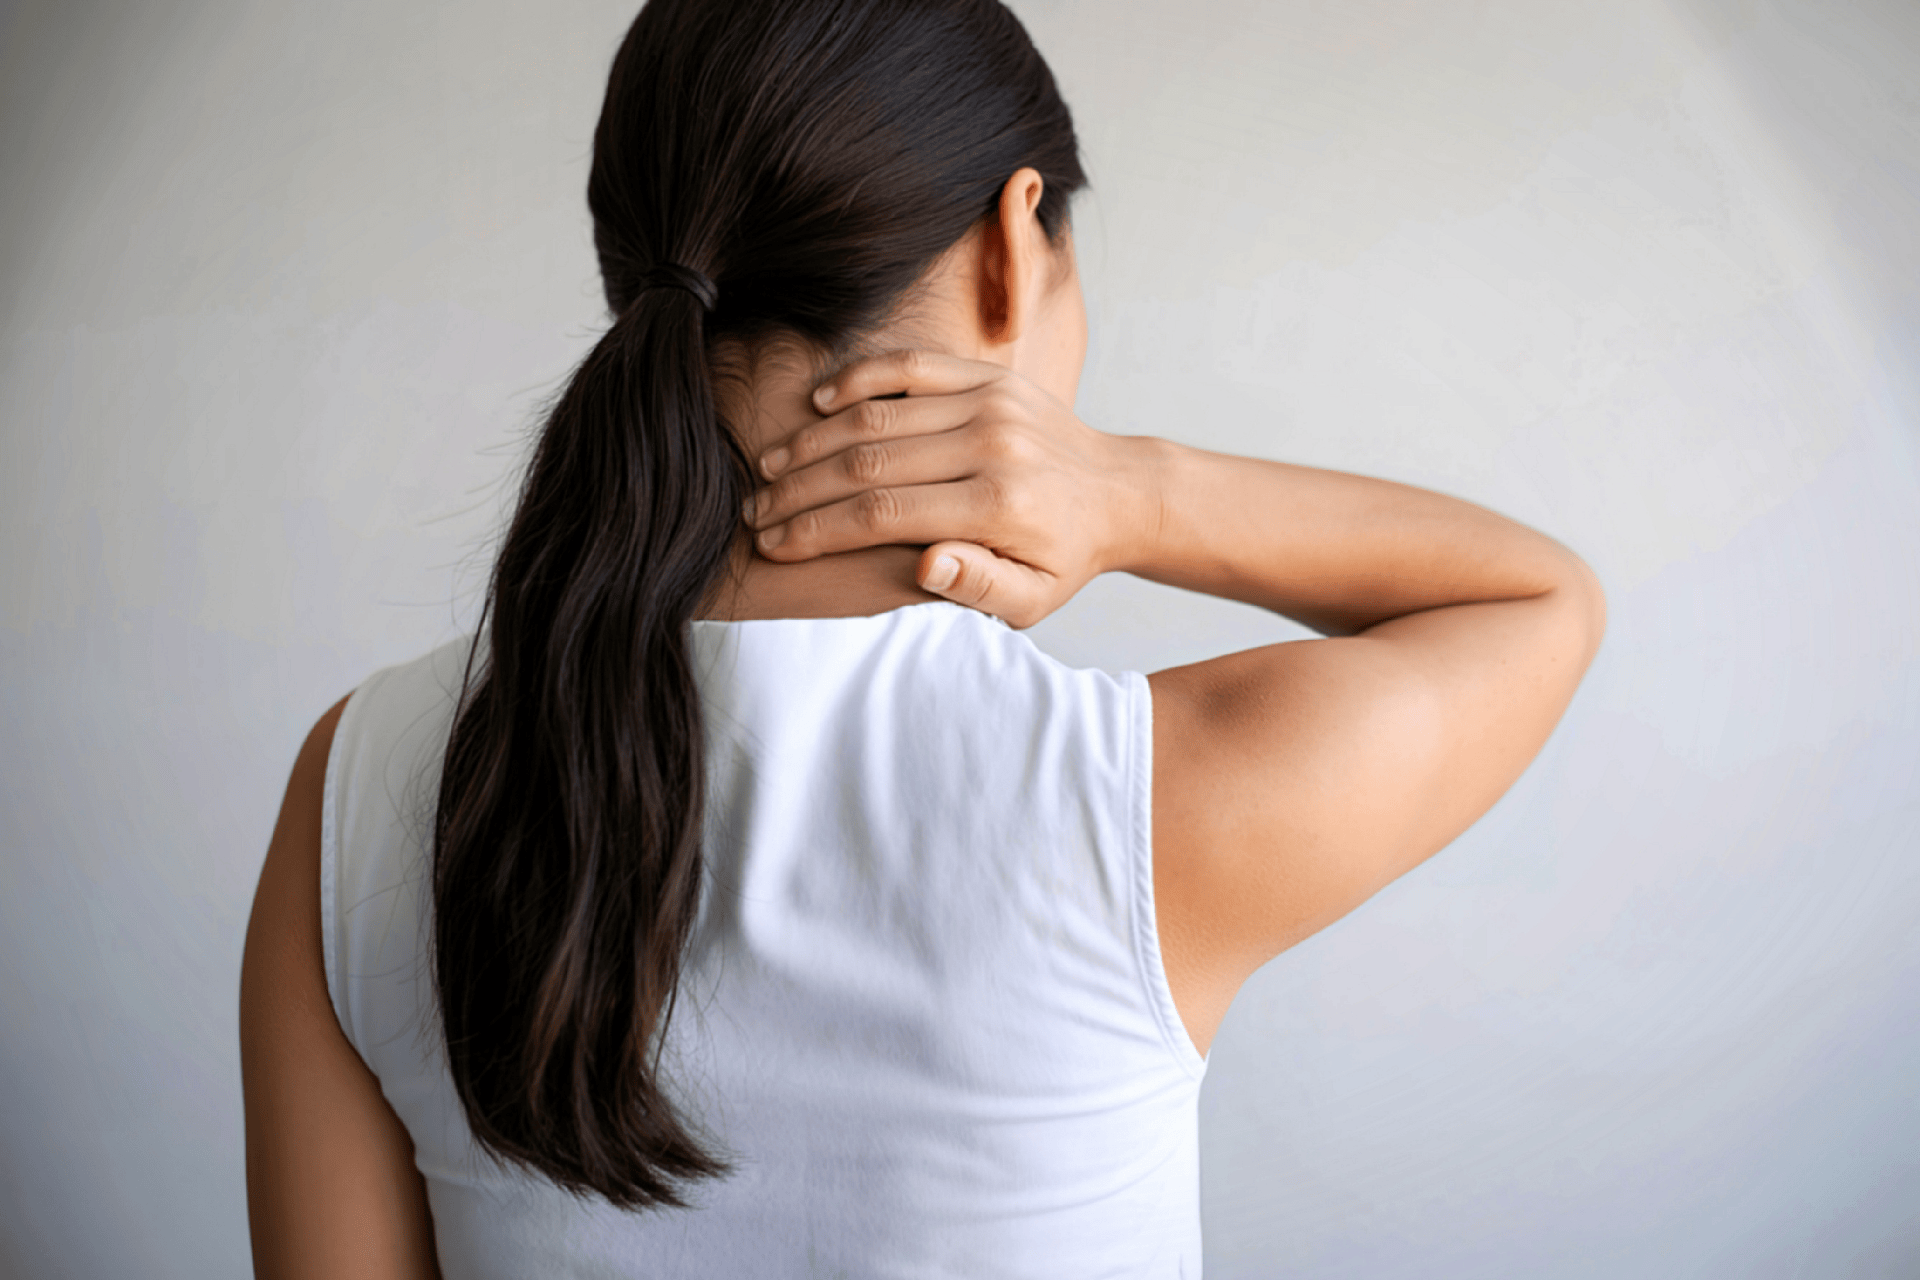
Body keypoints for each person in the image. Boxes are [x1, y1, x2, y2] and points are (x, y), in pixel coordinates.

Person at [239, 0, 1606, 1275]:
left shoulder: (359, 788)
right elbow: (1537, 601)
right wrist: (1136, 490)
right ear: (1016, 244)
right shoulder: (1144, 807)